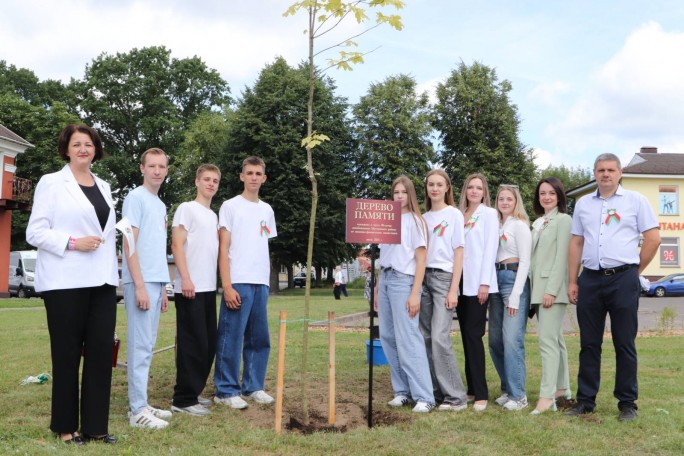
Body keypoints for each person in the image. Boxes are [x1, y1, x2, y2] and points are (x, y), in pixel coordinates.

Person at [26, 124, 118, 444]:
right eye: (76, 144)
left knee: (100, 354)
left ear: (96, 149)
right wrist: (72, 242)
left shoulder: (105, 186)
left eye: (88, 144)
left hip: (102, 282)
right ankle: (66, 428)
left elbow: (107, 235)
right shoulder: (51, 183)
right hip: (65, 282)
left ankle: (96, 427)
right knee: (66, 355)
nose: (83, 149)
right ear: (66, 149)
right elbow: (34, 232)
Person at [566, 153, 660, 422]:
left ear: (620, 173)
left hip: (623, 279)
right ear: (594, 174)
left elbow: (653, 237)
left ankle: (627, 403)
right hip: (591, 280)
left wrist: (635, 271)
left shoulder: (636, 201)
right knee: (589, 344)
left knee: (624, 342)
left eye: (610, 170)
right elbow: (576, 242)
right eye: (600, 170)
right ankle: (585, 401)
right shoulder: (583, 204)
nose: (605, 174)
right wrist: (573, 280)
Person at [214, 156, 277, 409]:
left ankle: (253, 386)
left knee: (259, 338)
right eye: (249, 173)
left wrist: (265, 282)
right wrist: (227, 285)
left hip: (260, 282)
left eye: (258, 173)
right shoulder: (230, 206)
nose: (253, 177)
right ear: (241, 176)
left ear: (264, 178)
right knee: (232, 337)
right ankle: (226, 390)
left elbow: (262, 245)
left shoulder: (267, 210)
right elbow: (223, 247)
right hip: (237, 280)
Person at [122, 147, 173, 429]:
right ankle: (136, 411)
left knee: (149, 345)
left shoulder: (160, 204)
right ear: (142, 168)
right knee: (140, 345)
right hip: (139, 282)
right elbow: (129, 242)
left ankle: (143, 401)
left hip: (155, 281)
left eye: (161, 166)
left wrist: (163, 287)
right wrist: (140, 285)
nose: (156, 171)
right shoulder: (135, 198)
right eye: (151, 166)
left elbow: (156, 249)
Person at [376, 175, 435, 412]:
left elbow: (421, 260)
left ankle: (425, 396)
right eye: (395, 192)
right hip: (387, 279)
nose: (399, 196)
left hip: (404, 281)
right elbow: (384, 257)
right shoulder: (386, 220)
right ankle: (402, 391)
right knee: (388, 337)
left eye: (403, 192)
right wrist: (379, 285)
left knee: (408, 337)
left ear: (410, 194)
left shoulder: (416, 221)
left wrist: (415, 293)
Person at [170, 164, 221, 416]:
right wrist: (186, 278)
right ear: (197, 182)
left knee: (208, 343)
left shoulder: (213, 216)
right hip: (190, 287)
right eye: (206, 179)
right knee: (192, 343)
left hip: (208, 287)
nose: (211, 184)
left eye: (215, 181)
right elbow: (177, 245)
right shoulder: (186, 209)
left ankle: (194, 392)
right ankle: (182, 399)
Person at [419, 169, 468, 411]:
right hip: (423, 278)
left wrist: (453, 289)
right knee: (426, 337)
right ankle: (437, 392)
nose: (435, 188)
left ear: (447, 187)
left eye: (439, 184)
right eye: (431, 185)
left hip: (443, 278)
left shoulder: (454, 215)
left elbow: (459, 251)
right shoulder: (423, 217)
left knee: (439, 336)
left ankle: (456, 397)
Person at [529, 177, 572, 415]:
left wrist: (551, 291)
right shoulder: (540, 221)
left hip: (551, 290)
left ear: (559, 197)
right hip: (538, 288)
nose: (546, 197)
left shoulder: (563, 220)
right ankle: (562, 388)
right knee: (556, 340)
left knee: (547, 343)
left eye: (551, 194)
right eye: (542, 193)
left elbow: (562, 258)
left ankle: (546, 397)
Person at [488, 184, 531, 411]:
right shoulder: (496, 224)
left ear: (516, 202)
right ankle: (507, 389)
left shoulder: (520, 225)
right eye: (501, 199)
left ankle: (519, 395)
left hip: (513, 279)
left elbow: (525, 261)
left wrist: (515, 294)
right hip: (495, 278)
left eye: (509, 199)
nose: (504, 202)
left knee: (512, 339)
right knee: (495, 340)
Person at [457, 173, 498, 411]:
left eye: (478, 188)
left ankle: (481, 392)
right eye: (470, 187)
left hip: (477, 282)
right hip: (458, 281)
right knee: (465, 335)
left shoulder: (489, 214)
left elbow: (490, 248)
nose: (474, 191)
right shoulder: (459, 215)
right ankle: (471, 389)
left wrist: (485, 283)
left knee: (474, 336)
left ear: (484, 192)